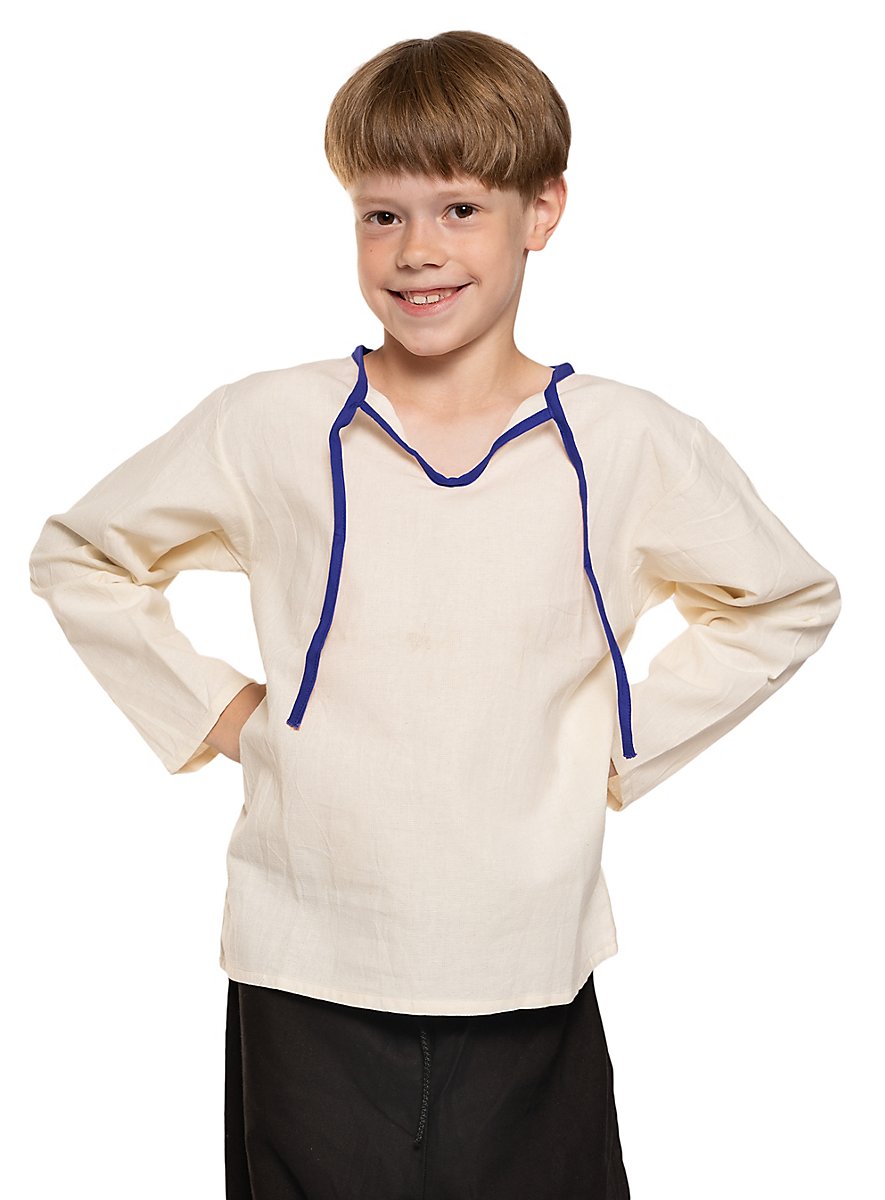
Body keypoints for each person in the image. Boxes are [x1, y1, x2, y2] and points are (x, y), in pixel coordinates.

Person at [27, 29, 841, 1200]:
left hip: (527, 961)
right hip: (308, 955)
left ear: (541, 211)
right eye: (382, 215)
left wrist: (618, 741)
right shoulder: (269, 422)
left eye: (460, 209)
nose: (417, 251)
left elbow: (785, 597)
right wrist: (220, 713)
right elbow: (84, 554)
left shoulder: (626, 441)